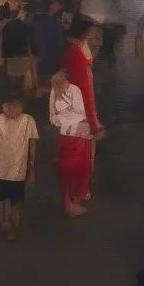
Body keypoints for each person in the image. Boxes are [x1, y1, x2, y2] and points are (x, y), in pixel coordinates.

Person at [0, 97, 40, 241]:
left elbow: (32, 143)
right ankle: (8, 224)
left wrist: (31, 165)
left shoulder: (28, 120)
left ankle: (13, 228)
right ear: (4, 107)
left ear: (20, 107)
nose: (11, 109)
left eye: (14, 106)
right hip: (2, 168)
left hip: (19, 169)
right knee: (0, 201)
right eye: (8, 106)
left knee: (15, 201)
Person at [49, 68, 94, 217]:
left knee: (74, 167)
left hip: (69, 133)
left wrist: (64, 121)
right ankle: (74, 199)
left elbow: (54, 117)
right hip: (75, 133)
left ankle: (75, 197)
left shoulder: (65, 90)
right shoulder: (64, 91)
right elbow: (78, 112)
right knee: (77, 166)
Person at [63, 15, 105, 139]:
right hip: (81, 82)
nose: (93, 34)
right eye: (90, 31)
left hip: (83, 81)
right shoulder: (77, 48)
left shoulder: (80, 45)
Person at [29, 0, 66, 91]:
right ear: (53, 3)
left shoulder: (34, 21)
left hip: (40, 69)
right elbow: (60, 46)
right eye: (59, 1)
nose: (61, 5)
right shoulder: (54, 24)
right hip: (51, 68)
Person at [0, 0, 35, 99]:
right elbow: (28, 42)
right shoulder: (24, 26)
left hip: (10, 55)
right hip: (21, 54)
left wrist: (1, 58)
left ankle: (13, 93)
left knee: (12, 75)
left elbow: (3, 42)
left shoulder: (8, 25)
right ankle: (18, 92)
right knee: (20, 75)